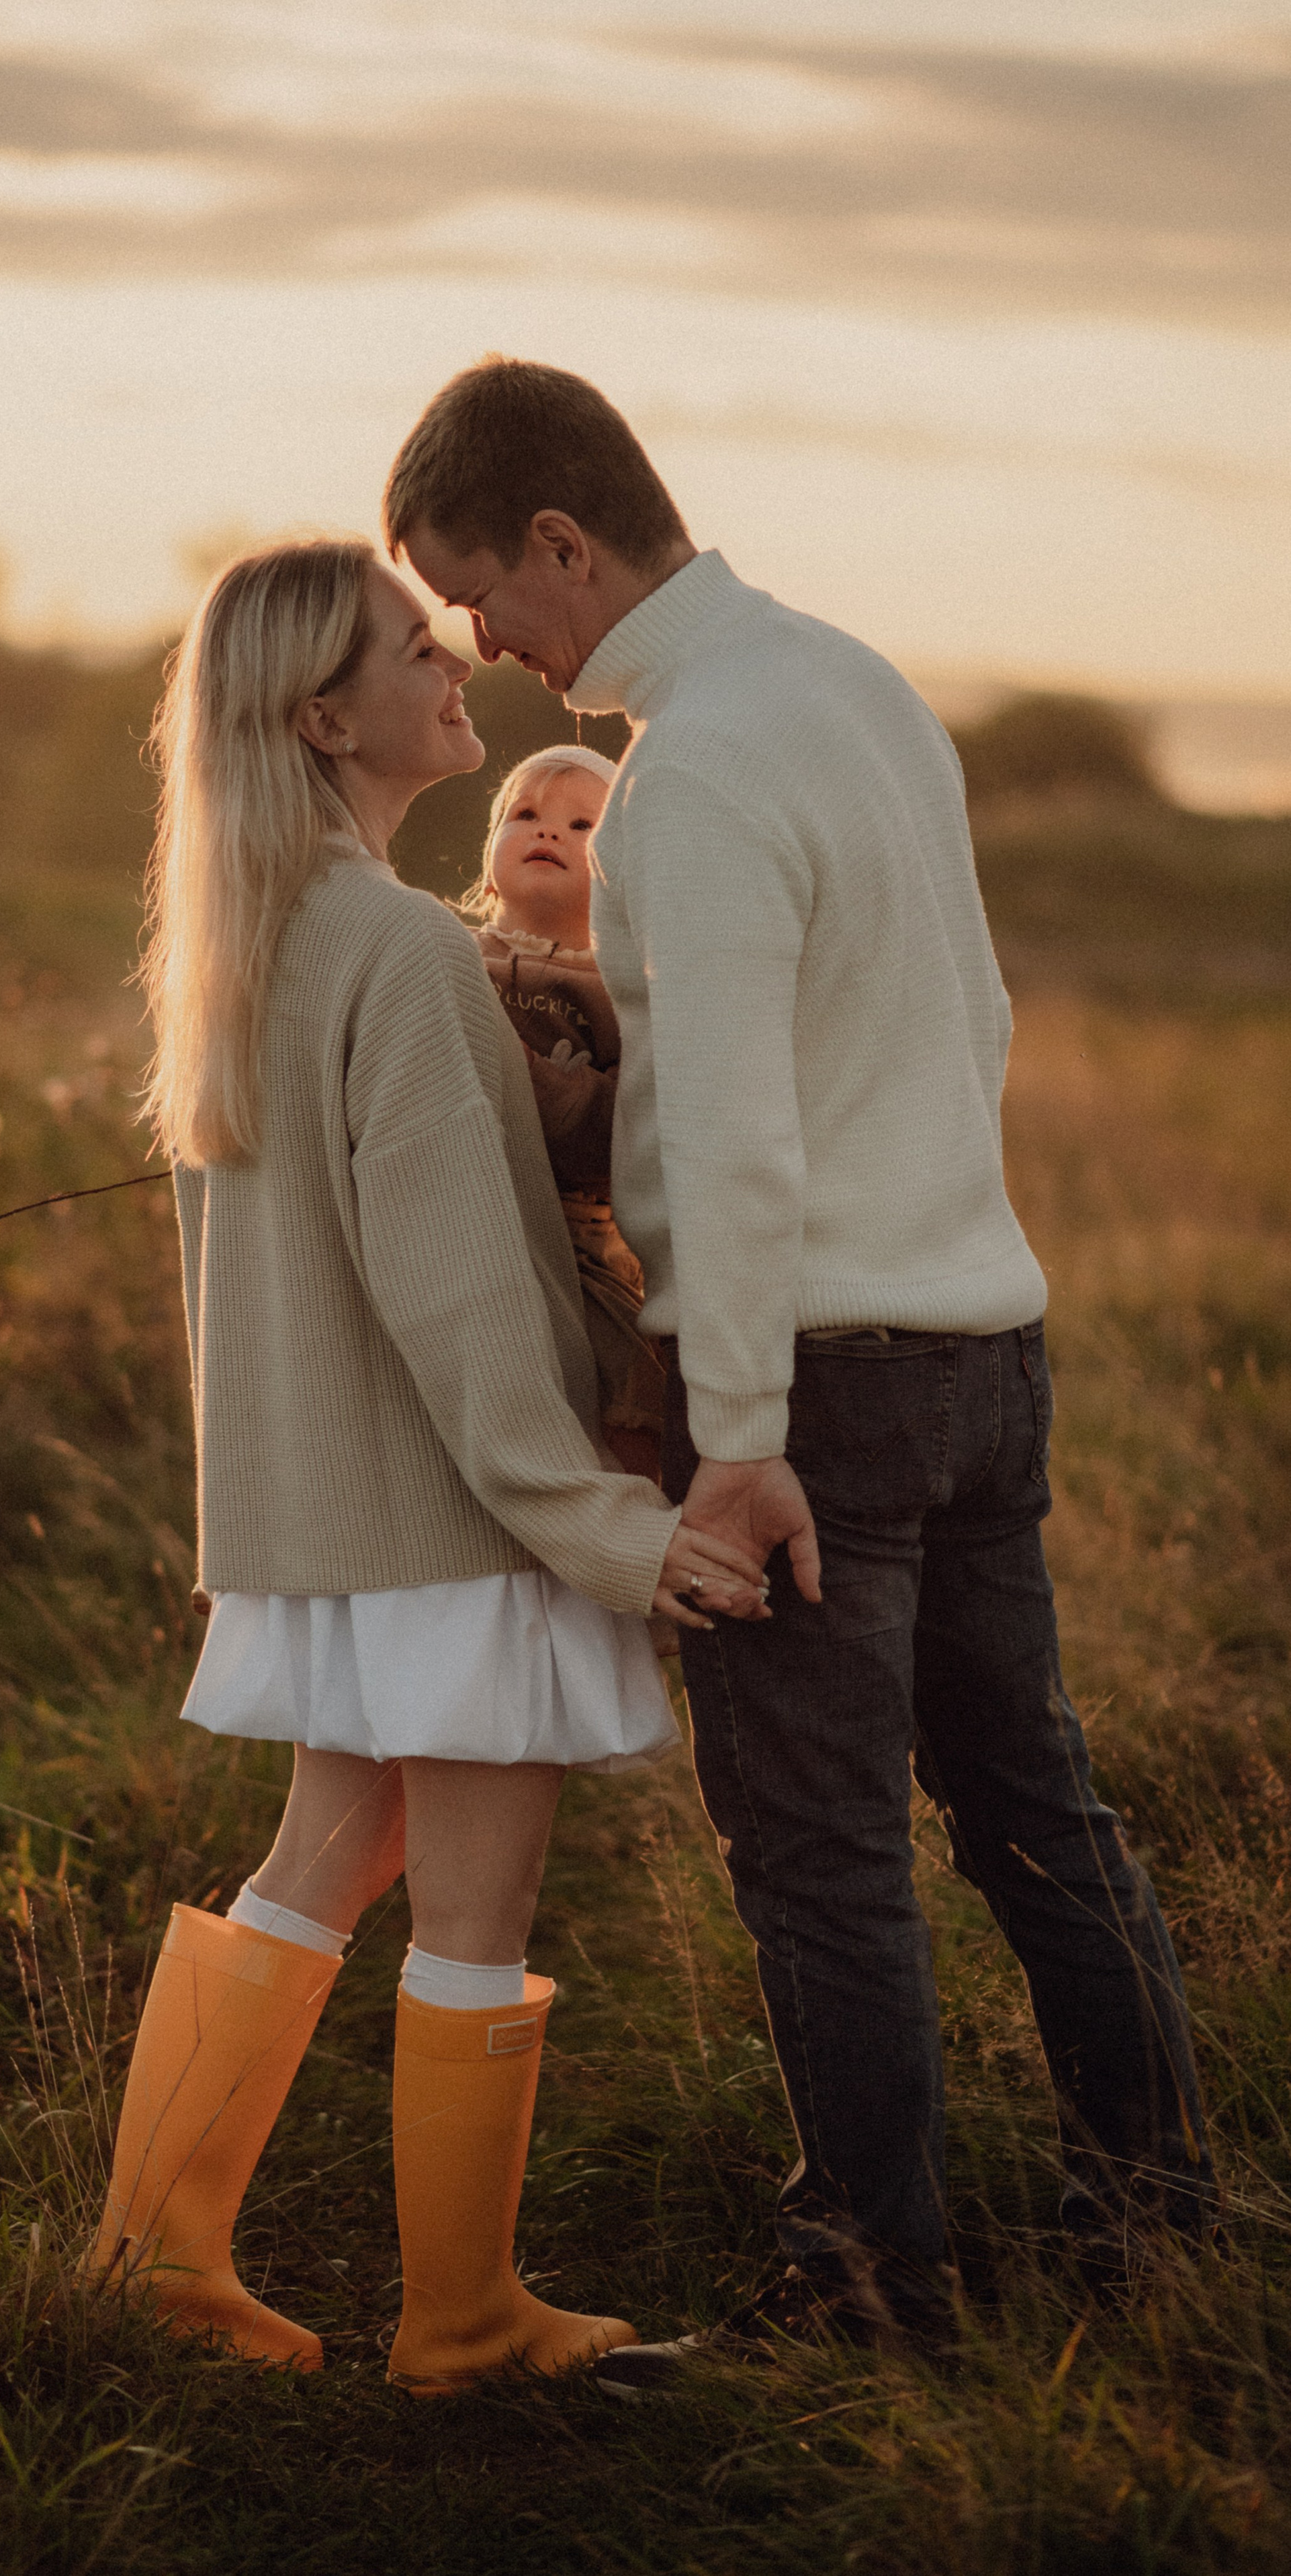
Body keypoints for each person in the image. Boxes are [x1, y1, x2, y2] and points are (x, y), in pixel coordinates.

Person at [384, 359, 1216, 2371]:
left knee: (820, 1850)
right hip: (980, 1337)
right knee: (1033, 1806)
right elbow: (975, 1012)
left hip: (813, 1384)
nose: (479, 643)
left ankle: (863, 2287)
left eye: (478, 590)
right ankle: (1160, 2221)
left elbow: (732, 1135)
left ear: (564, 540)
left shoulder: (696, 776)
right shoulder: (856, 686)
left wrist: (738, 1434)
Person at [84, 535, 762, 2395]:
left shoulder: (252, 938)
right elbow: (456, 1288)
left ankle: (152, 2260)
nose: (455, 658)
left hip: (327, 1514)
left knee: (328, 1852)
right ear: (323, 718)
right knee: (472, 1906)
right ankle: (463, 2323)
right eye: (411, 649)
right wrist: (601, 1525)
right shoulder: (392, 944)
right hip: (458, 1513)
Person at [464, 745, 665, 1484]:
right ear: (489, 868)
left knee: (626, 1382)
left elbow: (632, 1127)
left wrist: (541, 1086)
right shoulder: (452, 955)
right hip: (463, 1215)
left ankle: (638, 1506)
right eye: (524, 815)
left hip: (581, 1243)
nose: (547, 831)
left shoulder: (625, 991)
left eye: (583, 826)